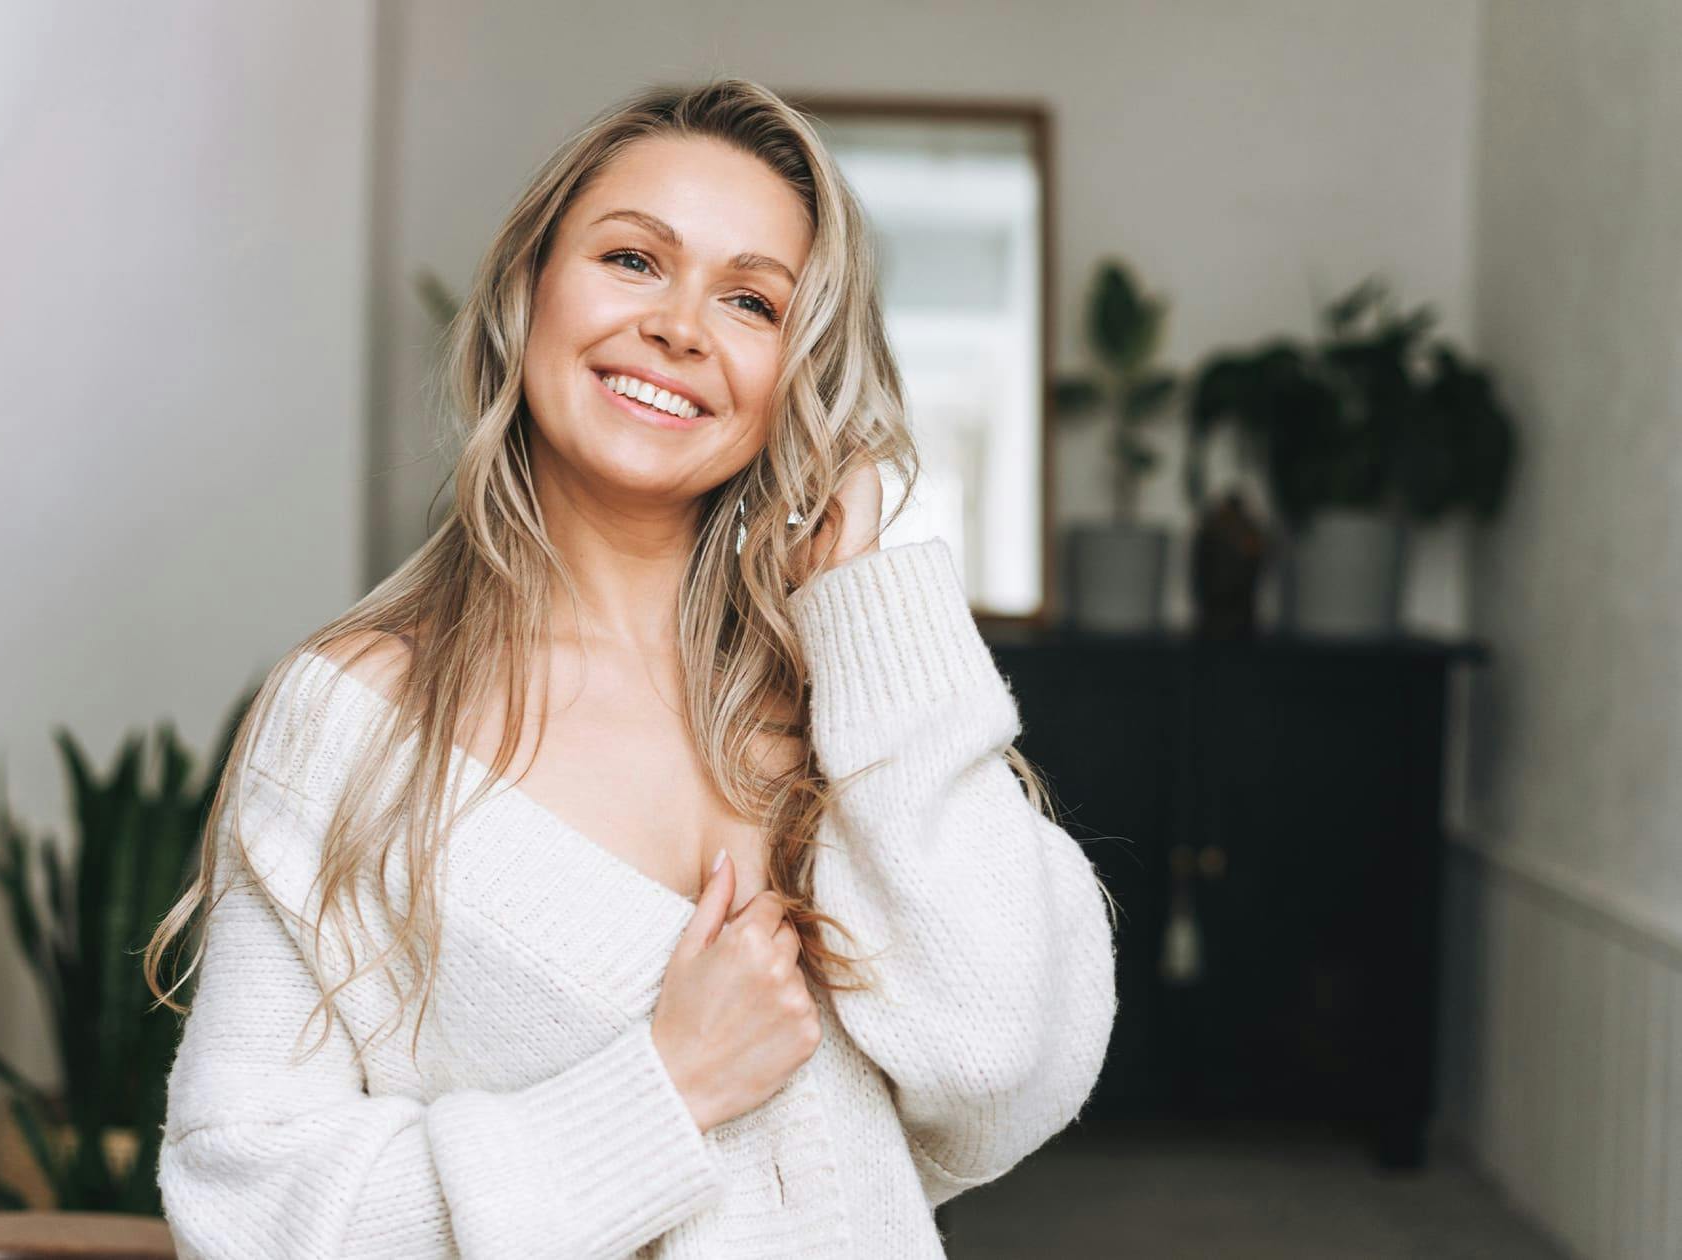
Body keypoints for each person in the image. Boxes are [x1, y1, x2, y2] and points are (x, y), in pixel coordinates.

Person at [142, 77, 1118, 1259]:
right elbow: (240, 1209)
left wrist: (866, 598)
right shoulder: (354, 720)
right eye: (632, 261)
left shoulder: (840, 703)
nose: (680, 328)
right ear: (528, 288)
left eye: (751, 301)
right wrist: (658, 1089)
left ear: (793, 378)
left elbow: (993, 1056)